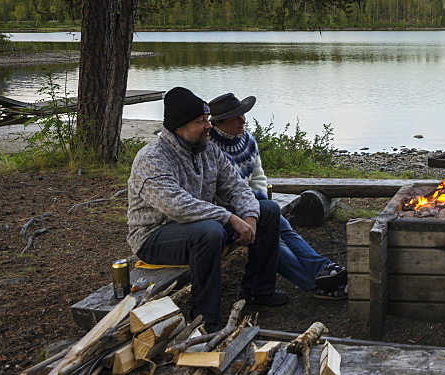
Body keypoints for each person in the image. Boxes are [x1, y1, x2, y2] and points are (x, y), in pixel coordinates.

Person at [127, 87, 288, 333]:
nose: (208, 126)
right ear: (179, 128)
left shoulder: (207, 149)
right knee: (209, 232)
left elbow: (236, 186)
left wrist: (250, 216)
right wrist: (230, 217)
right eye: (200, 121)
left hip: (199, 225)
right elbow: (177, 206)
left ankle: (259, 290)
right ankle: (205, 317)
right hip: (154, 236)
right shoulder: (152, 158)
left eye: (207, 119)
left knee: (267, 209)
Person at [207, 92, 348, 299]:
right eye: (236, 117)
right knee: (272, 237)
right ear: (219, 122)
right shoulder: (210, 147)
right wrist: (253, 210)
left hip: (253, 203)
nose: (243, 120)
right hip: (228, 211)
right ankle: (316, 283)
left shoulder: (246, 139)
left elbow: (258, 176)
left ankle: (325, 268)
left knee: (285, 229)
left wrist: (261, 200)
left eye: (243, 115)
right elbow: (217, 194)